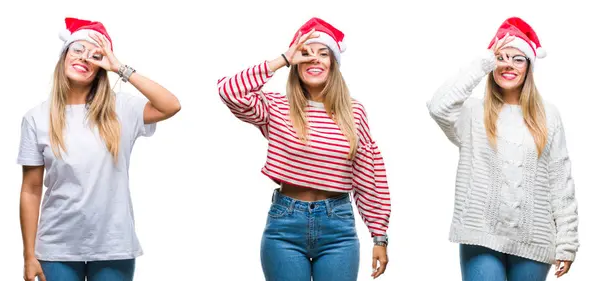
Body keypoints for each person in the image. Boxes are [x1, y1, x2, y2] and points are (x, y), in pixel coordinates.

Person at [217, 17, 391, 280]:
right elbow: (229, 91)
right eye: (306, 54)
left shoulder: (353, 112)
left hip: (338, 228)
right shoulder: (276, 107)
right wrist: (283, 59)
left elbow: (369, 175)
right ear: (296, 64)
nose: (315, 60)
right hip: (285, 225)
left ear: (333, 64)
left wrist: (379, 236)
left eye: (324, 54)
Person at [18, 17, 181, 281]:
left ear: (101, 68)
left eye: (95, 55)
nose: (84, 58)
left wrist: (120, 68)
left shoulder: (122, 109)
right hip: (56, 247)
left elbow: (170, 105)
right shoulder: (36, 118)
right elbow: (31, 189)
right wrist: (29, 255)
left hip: (113, 246)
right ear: (64, 56)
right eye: (78, 50)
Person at [427, 17, 579, 281]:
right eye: (502, 57)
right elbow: (438, 106)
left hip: (535, 239)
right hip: (481, 234)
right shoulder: (474, 113)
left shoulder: (548, 115)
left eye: (518, 59)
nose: (508, 64)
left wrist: (568, 242)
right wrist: (484, 60)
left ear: (529, 66)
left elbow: (560, 182)